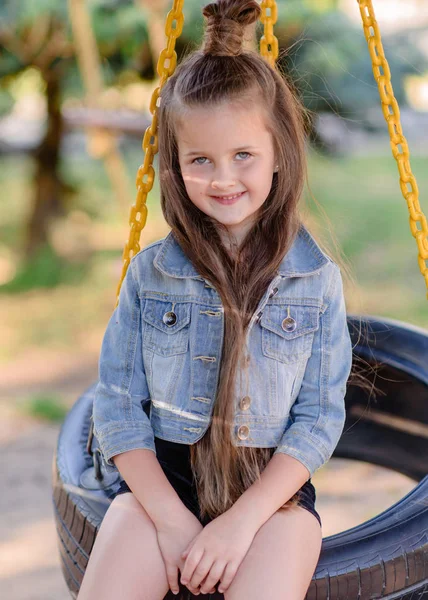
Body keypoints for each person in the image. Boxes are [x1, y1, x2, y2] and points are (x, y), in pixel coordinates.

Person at [77, 1, 354, 598]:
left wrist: (240, 524)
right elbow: (120, 409)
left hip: (271, 501)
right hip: (161, 490)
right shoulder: (151, 276)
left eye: (243, 156)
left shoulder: (316, 282)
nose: (223, 178)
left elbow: (318, 419)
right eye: (199, 160)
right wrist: (174, 522)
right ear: (175, 166)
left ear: (279, 152)